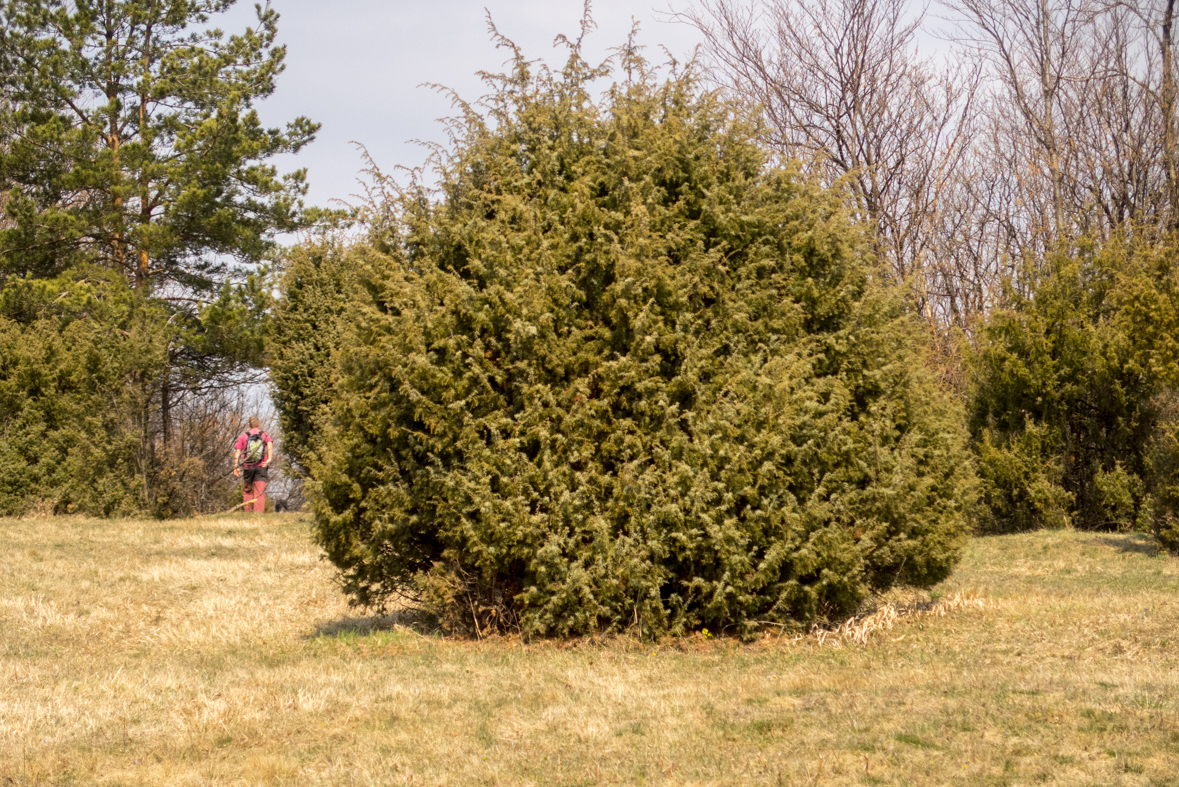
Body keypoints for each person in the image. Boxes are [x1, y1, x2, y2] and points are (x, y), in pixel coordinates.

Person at [233, 417, 273, 513]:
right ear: (258, 424)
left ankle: (248, 513)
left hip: (247, 466)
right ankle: (258, 514)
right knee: (260, 491)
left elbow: (237, 451)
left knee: (247, 490)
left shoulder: (243, 436)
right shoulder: (264, 434)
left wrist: (236, 465)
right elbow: (270, 445)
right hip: (261, 466)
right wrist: (269, 459)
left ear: (248, 425)